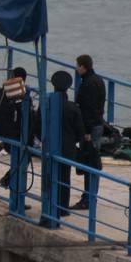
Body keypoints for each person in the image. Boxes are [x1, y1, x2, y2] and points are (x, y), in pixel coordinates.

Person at [37, 71, 86, 222]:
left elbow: (37, 125)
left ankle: (48, 203)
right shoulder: (73, 108)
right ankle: (63, 208)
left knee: (49, 174)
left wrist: (43, 139)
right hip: (67, 148)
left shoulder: (45, 104)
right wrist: (72, 141)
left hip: (49, 146)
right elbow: (80, 131)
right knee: (65, 178)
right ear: (68, 88)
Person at [0, 68, 35, 189]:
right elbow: (29, 117)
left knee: (19, 162)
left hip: (7, 135)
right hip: (18, 136)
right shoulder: (23, 95)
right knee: (22, 162)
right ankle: (16, 195)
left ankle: (10, 184)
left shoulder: (1, 93)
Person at [71, 54, 106, 211]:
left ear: (83, 66)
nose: (76, 68)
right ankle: (90, 196)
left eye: (77, 65)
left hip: (91, 128)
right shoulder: (98, 80)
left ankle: (88, 198)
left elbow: (88, 109)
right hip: (98, 125)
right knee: (93, 160)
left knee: (89, 161)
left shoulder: (88, 84)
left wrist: (86, 131)